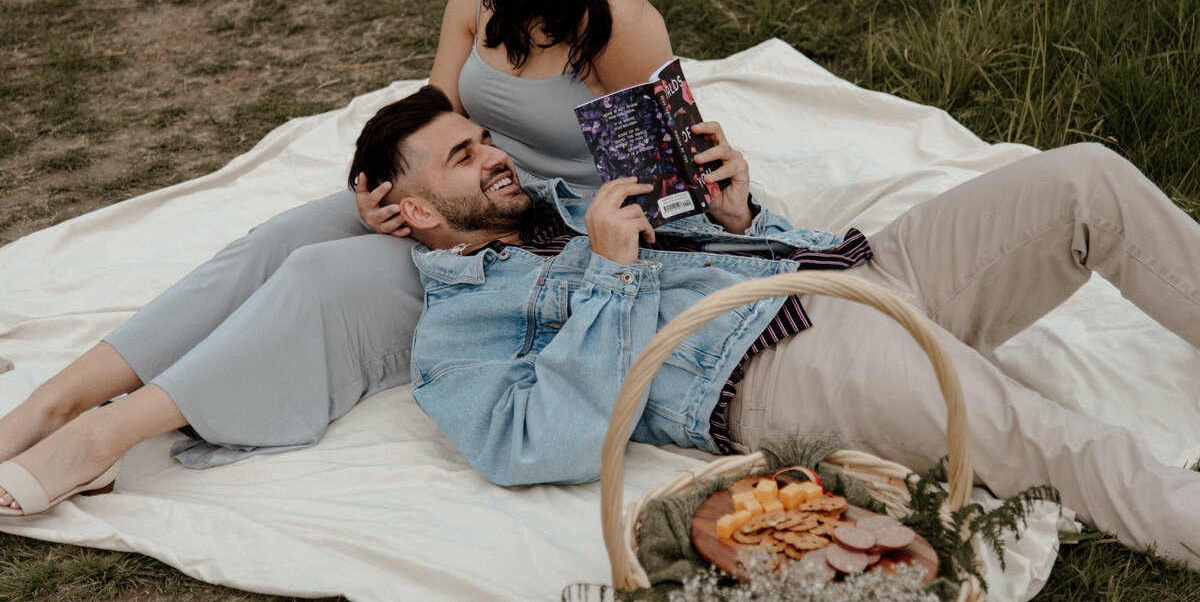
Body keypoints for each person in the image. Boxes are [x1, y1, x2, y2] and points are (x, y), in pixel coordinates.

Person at [0, 0, 670, 512]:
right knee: (276, 241)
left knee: (318, 276)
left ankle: (100, 438)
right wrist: (377, 188)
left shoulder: (616, 19)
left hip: (531, 238)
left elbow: (662, 174)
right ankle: (54, 403)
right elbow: (432, 110)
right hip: (448, 184)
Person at [351, 87, 1200, 568]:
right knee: (1039, 435)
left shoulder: (566, 198)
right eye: (464, 155)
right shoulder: (457, 334)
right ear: (416, 207)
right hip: (780, 360)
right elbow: (534, 443)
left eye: (485, 137)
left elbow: (741, 248)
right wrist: (609, 277)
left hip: (856, 264)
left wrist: (738, 208)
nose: (496, 155)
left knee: (1087, 179)